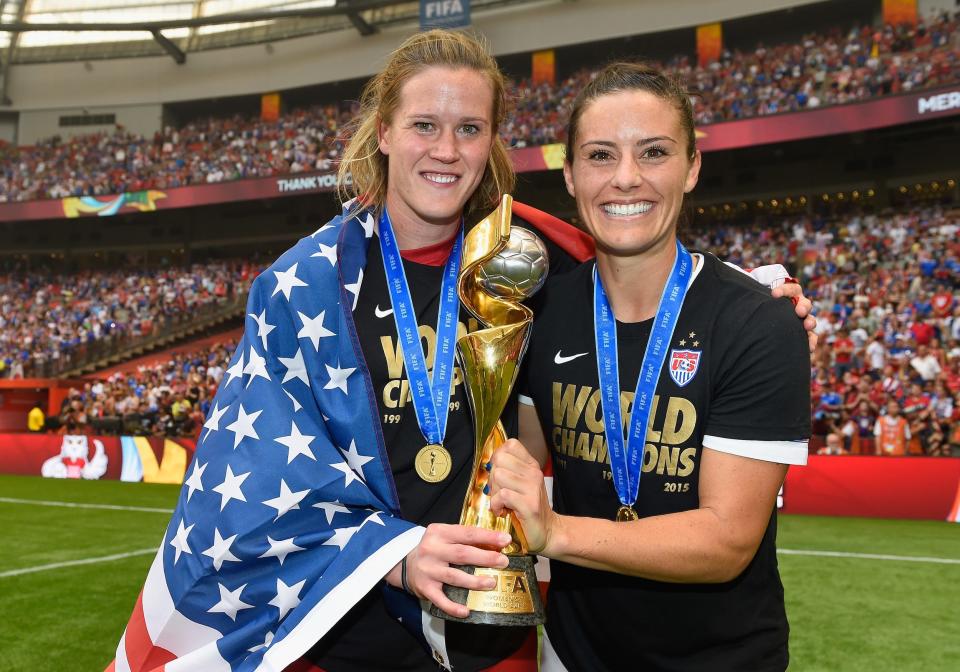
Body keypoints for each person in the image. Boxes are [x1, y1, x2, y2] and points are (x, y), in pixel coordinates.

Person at [110, 34, 815, 672]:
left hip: (491, 631)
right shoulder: (310, 283)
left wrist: (761, 297)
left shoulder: (521, 262)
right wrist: (395, 556)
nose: (446, 151)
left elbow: (637, 276)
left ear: (492, 143)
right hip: (347, 634)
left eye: (469, 129)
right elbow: (261, 474)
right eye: (424, 125)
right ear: (384, 131)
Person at [488, 63, 811, 671]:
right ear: (570, 173)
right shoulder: (541, 314)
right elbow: (519, 461)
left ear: (692, 166)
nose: (626, 179)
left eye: (654, 152)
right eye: (601, 155)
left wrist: (554, 531)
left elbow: (726, 542)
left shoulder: (757, 323)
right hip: (571, 655)